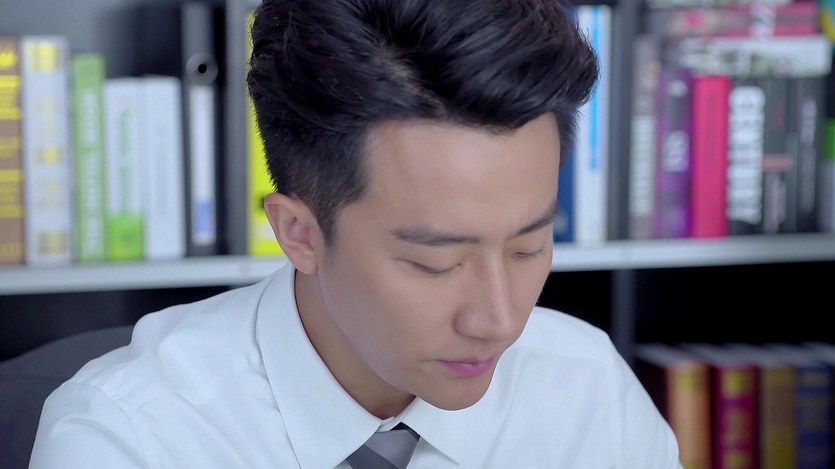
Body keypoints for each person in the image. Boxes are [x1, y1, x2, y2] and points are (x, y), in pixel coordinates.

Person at [29, 0, 682, 467]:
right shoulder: (131, 438)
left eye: (527, 247)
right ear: (298, 233)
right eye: (435, 263)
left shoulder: (589, 390)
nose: (499, 319)